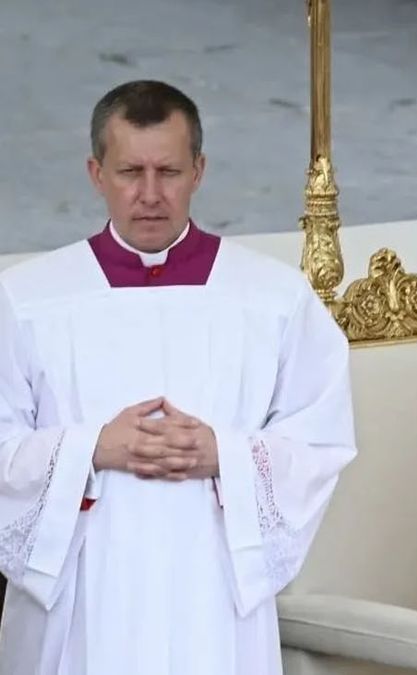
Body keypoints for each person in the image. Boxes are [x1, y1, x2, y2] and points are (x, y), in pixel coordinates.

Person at [0, 80, 356, 674]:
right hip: (83, 587)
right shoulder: (28, 299)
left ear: (199, 170)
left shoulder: (271, 298)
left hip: (211, 588)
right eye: (128, 172)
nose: (148, 194)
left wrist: (225, 453)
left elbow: (320, 441)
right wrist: (91, 448)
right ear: (95, 173)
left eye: (168, 171)